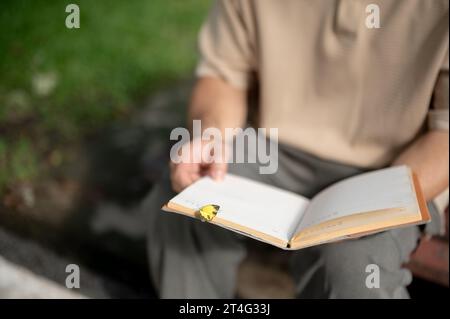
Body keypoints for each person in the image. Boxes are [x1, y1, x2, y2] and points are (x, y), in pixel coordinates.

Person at [145, 0, 449, 298]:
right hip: (273, 147)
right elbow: (224, 74)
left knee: (353, 267)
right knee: (189, 201)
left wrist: (375, 206)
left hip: (396, 168)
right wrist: (211, 135)